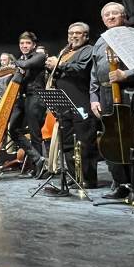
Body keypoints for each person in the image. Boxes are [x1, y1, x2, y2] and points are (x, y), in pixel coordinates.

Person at [90, 2, 134, 201]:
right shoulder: (101, 41)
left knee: (132, 140)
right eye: (106, 14)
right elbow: (94, 71)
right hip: (105, 96)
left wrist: (126, 74)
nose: (110, 17)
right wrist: (94, 98)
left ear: (123, 16)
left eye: (114, 13)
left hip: (128, 93)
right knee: (112, 142)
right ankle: (122, 185)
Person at [45, 22, 99, 188]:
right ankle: (74, 175)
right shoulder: (65, 52)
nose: (73, 36)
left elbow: (81, 69)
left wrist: (59, 65)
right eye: (70, 33)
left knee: (85, 142)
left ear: (86, 36)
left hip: (81, 103)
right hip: (64, 105)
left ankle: (88, 179)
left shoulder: (88, 50)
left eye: (78, 33)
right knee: (67, 143)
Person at [8, 31, 47, 177]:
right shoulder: (21, 60)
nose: (24, 46)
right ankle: (37, 159)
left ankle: (39, 170)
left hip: (36, 97)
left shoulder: (39, 57)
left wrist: (12, 63)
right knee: (13, 130)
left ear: (34, 45)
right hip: (23, 99)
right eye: (22, 43)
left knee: (35, 133)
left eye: (27, 43)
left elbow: (25, 64)